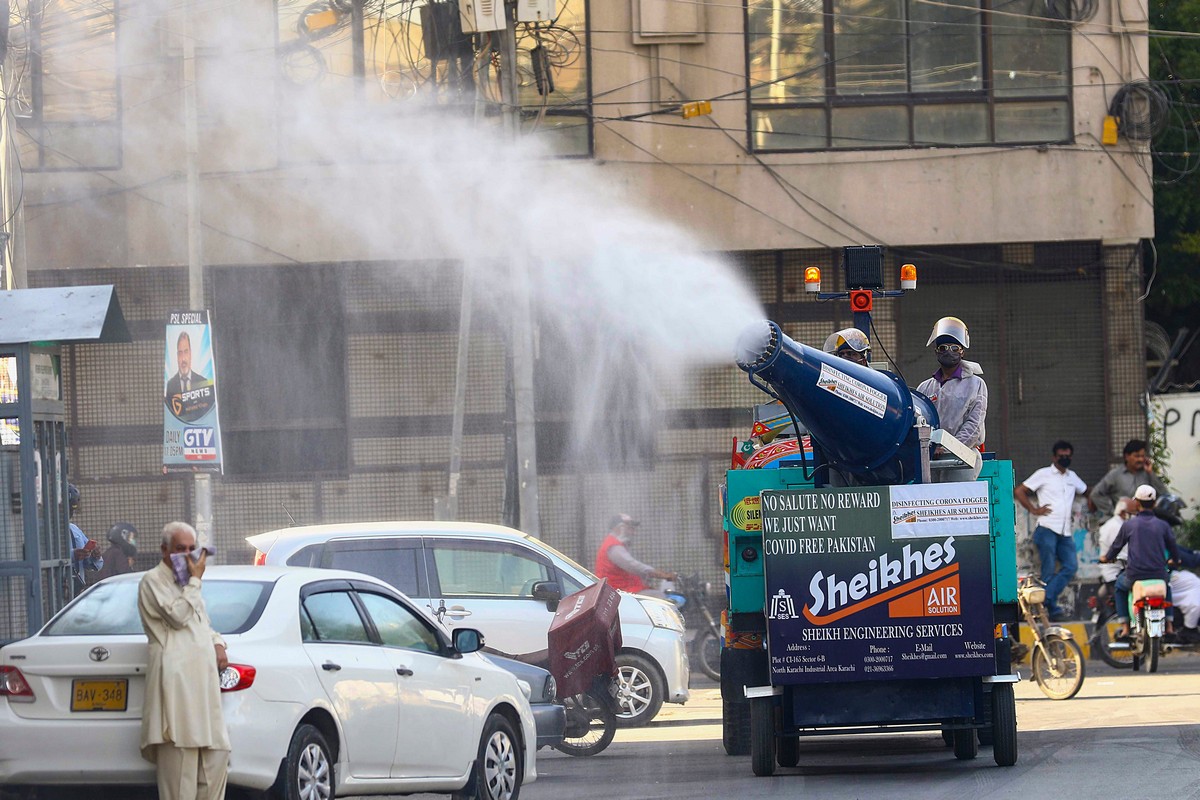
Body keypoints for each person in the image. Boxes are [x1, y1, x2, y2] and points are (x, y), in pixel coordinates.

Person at [138, 521, 230, 800]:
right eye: (181, 549)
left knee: (216, 759)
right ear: (164, 550)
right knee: (180, 775)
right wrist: (195, 582)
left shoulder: (189, 585)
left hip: (204, 689)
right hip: (177, 688)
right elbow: (177, 617)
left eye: (193, 549)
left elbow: (201, 623)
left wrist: (217, 643)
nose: (189, 556)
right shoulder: (153, 581)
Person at [1014, 440, 1088, 621]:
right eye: (1061, 456)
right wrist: (1033, 509)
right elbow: (1020, 491)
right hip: (1047, 528)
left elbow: (1086, 491)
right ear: (1054, 457)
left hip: (1065, 532)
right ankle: (1050, 608)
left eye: (1067, 456)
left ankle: (1044, 600)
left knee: (1070, 566)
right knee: (1047, 571)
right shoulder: (1044, 474)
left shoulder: (1072, 477)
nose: (1065, 458)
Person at [1099, 485, 1182, 639]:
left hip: (1135, 574)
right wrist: (1175, 560)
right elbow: (1173, 548)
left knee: (1119, 587)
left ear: (1137, 503)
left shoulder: (1129, 525)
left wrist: (1106, 557)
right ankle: (1169, 627)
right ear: (1154, 502)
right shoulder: (1162, 525)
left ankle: (1125, 627)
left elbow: (1115, 548)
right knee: (1167, 587)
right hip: (1159, 573)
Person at [914, 317, 987, 479]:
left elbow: (974, 426)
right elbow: (918, 423)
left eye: (955, 347)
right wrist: (931, 448)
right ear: (936, 351)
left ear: (963, 351)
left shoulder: (976, 384)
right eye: (943, 347)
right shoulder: (925, 387)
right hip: (930, 459)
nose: (949, 351)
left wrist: (948, 447)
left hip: (962, 458)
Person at [594, 514, 678, 595]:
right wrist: (663, 575)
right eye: (630, 528)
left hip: (624, 590)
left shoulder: (615, 544)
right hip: (618, 593)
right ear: (621, 528)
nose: (633, 532)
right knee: (662, 600)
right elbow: (634, 566)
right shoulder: (614, 547)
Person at [1087, 439, 1168, 517]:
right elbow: (1096, 494)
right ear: (1127, 456)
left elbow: (1164, 494)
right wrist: (1113, 512)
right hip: (1123, 522)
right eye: (1137, 456)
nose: (1140, 459)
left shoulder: (1147, 474)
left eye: (1143, 456)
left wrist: (1151, 473)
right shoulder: (1115, 475)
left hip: (1144, 520)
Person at [67, 483, 103, 591]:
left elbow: (95, 565)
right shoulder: (44, 530)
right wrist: (73, 555)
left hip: (76, 591)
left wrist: (95, 556)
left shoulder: (74, 529)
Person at [1096, 497, 1138, 585]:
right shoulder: (1116, 527)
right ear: (1123, 513)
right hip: (1115, 572)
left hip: (1121, 569)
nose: (1134, 516)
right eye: (1132, 513)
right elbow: (1123, 552)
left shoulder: (1115, 524)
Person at [165, 331, 209, 401]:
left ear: (190, 354)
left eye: (186, 352)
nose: (183, 359)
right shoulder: (170, 385)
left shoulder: (203, 382)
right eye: (180, 353)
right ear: (177, 357)